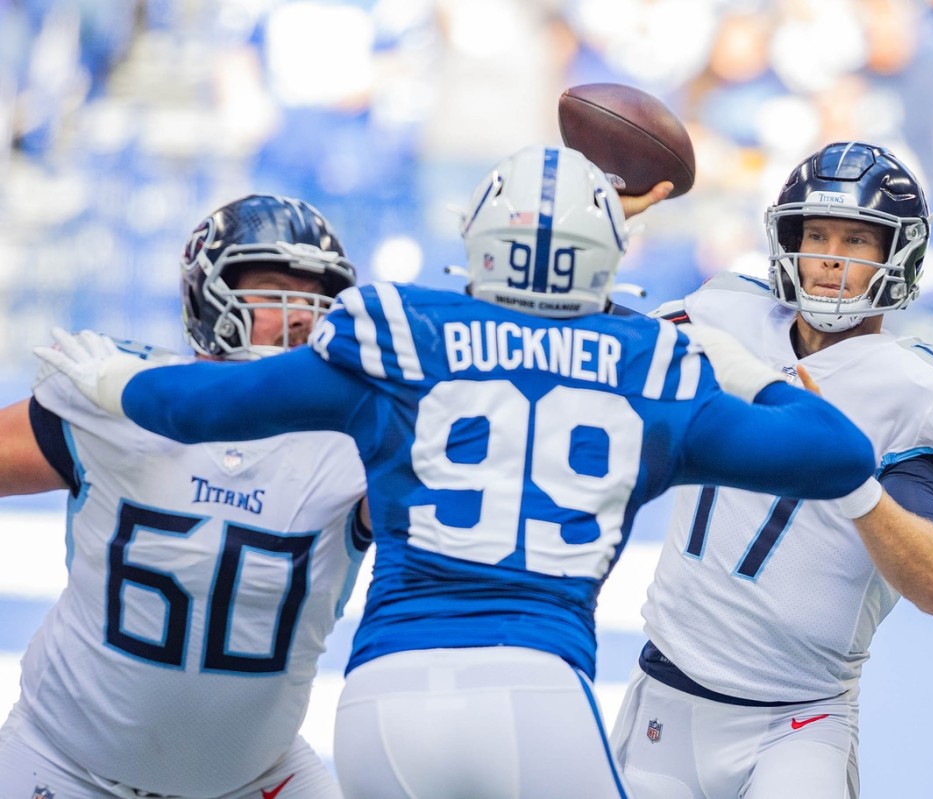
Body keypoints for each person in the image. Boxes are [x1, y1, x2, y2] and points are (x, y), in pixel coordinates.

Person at [35, 144, 880, 799]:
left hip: (382, 699)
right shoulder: (650, 364)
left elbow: (204, 406)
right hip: (535, 682)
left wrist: (117, 383)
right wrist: (750, 373)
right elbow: (841, 454)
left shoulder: (404, 333)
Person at [608, 141, 933, 799]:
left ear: (896, 256)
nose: (829, 257)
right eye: (816, 233)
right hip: (667, 699)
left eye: (856, 239)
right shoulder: (723, 311)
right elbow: (589, 354)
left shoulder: (911, 387)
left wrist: (849, 479)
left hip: (799, 723)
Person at [0, 194, 369, 799]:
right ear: (210, 295)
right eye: (276, 287)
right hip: (63, 765)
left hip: (254, 777)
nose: (302, 313)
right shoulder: (112, 395)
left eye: (315, 294)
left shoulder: (353, 438)